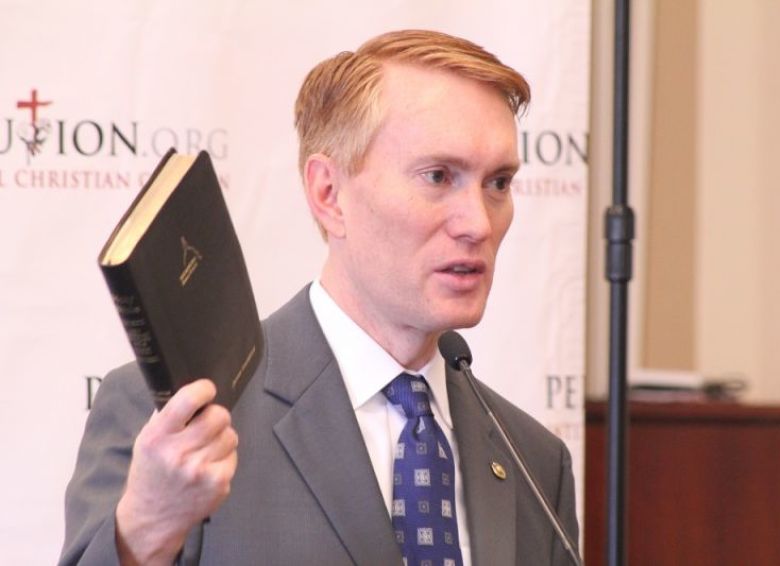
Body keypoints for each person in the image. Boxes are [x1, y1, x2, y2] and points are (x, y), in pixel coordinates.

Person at [60, 29, 579, 566]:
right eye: (438, 176)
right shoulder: (176, 418)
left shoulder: (535, 464)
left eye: (497, 183)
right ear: (329, 194)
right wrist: (143, 532)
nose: (477, 222)